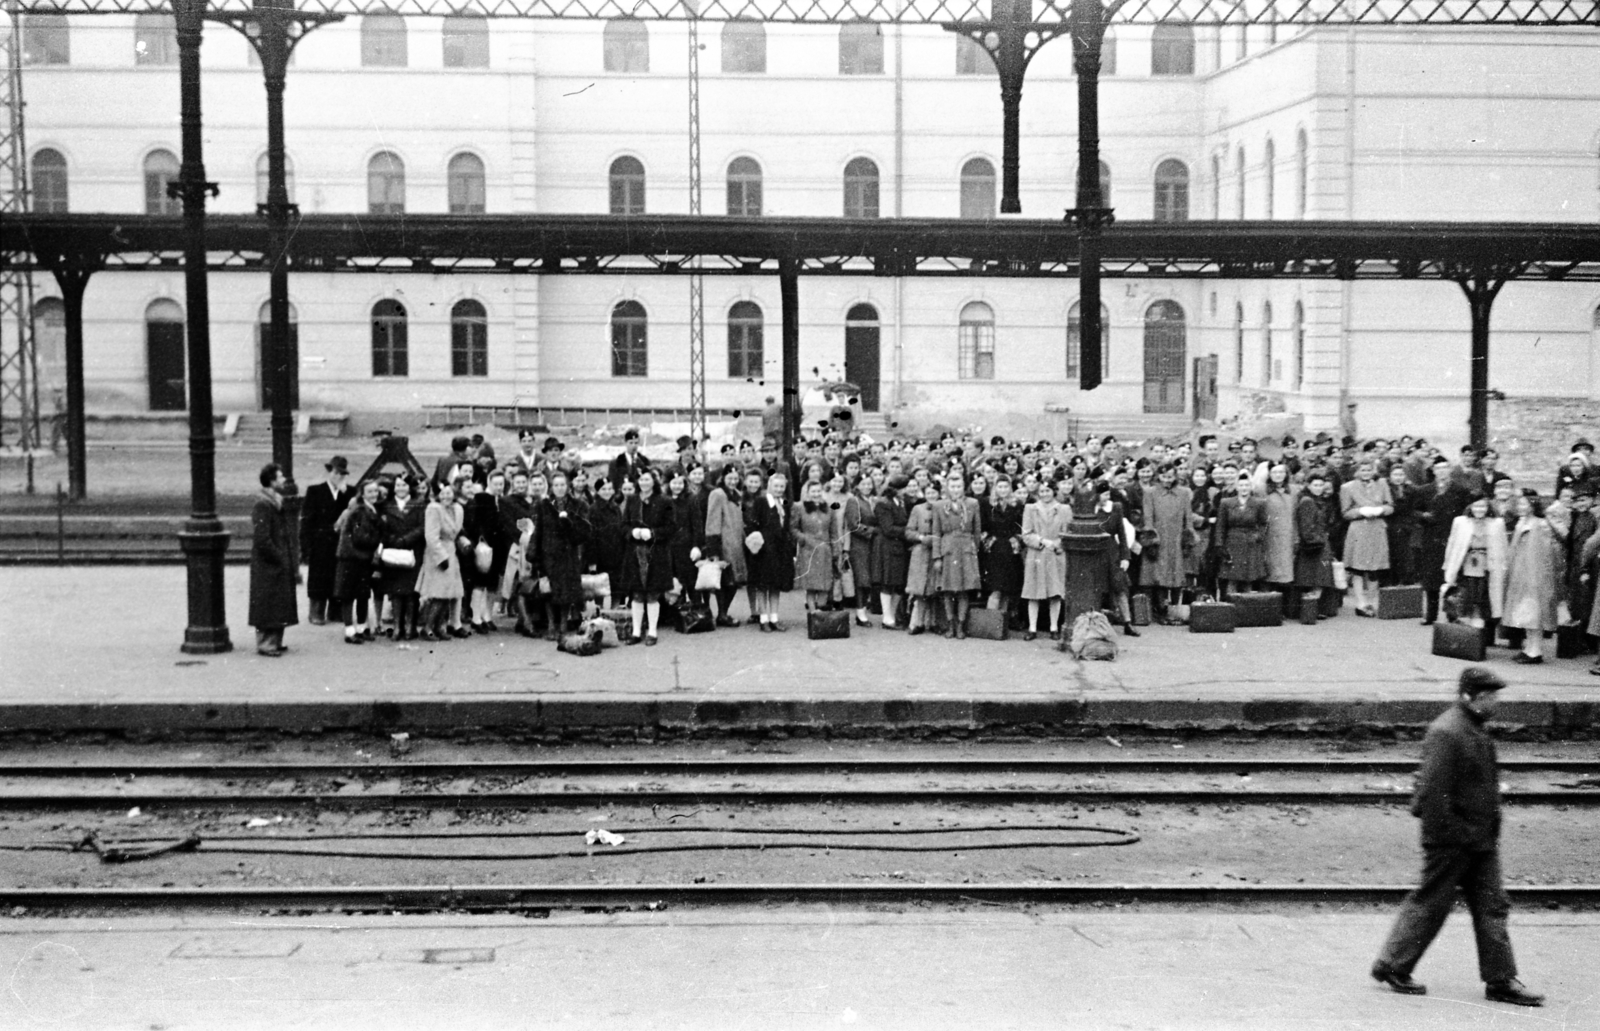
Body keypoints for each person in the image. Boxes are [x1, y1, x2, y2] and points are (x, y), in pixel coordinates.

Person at [1371, 668, 1544, 1008]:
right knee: (1432, 903)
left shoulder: (1471, 728)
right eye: (1490, 696)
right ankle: (1392, 965)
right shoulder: (1447, 732)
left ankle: (1500, 980)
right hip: (1453, 840)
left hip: (1479, 839)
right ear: (1471, 696)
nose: (1496, 703)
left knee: (1493, 906)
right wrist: (1454, 835)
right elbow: (1434, 793)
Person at [1501, 492, 1561, 665]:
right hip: (1521, 573)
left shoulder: (1540, 524)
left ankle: (1536, 651)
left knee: (1535, 614)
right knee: (1525, 614)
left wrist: (1539, 575)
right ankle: (1529, 648)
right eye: (1519, 504)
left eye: (1525, 504)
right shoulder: (1522, 522)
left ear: (1533, 506)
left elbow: (1546, 553)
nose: (1521, 507)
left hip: (1535, 574)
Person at [619, 468, 675, 645]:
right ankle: (636, 632)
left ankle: (652, 631)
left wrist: (652, 533)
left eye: (647, 479)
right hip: (635, 553)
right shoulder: (632, 500)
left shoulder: (665, 501)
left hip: (656, 553)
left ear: (654, 482)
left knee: (652, 594)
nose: (644, 483)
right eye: (641, 480)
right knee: (636, 594)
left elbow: (671, 528)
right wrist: (632, 532)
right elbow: (623, 526)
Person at [248, 462, 298, 657]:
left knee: (275, 603)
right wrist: (279, 557)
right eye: (280, 477)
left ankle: (273, 642)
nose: (284, 480)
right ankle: (267, 644)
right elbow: (262, 538)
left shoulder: (272, 501)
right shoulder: (264, 504)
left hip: (273, 562)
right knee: (269, 604)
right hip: (269, 564)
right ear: (272, 480)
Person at [299, 455, 352, 625]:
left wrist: (345, 496)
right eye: (336, 472)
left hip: (340, 543)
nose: (339, 477)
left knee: (338, 576)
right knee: (319, 578)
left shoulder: (349, 492)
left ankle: (335, 612)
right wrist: (306, 547)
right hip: (320, 542)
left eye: (342, 474)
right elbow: (307, 522)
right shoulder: (315, 491)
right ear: (330, 472)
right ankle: (316, 612)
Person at [539, 470, 590, 640]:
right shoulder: (544, 505)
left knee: (566, 590)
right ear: (551, 487)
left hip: (568, 553)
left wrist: (568, 523)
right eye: (556, 485)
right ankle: (551, 624)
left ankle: (562, 624)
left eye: (562, 485)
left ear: (568, 486)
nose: (559, 488)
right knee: (549, 590)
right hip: (549, 553)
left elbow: (583, 532)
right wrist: (534, 553)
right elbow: (539, 530)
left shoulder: (578, 505)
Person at [1139, 463, 1193, 623]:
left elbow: (1188, 518)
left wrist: (1188, 538)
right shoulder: (1150, 493)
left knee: (1176, 575)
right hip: (1159, 538)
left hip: (1176, 539)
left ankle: (1174, 611)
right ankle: (1160, 611)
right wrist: (1150, 540)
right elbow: (1148, 517)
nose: (1167, 480)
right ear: (1158, 476)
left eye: (1170, 476)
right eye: (1164, 477)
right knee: (1158, 575)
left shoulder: (1184, 493)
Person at [332, 477, 383, 645]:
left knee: (362, 594)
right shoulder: (359, 511)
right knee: (349, 595)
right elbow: (361, 537)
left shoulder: (371, 510)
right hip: (351, 557)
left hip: (360, 558)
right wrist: (378, 539)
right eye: (370, 491)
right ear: (363, 494)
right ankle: (350, 631)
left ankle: (361, 629)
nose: (374, 494)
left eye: (376, 491)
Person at [1443, 497, 1507, 630]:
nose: (1479, 510)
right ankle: (1468, 631)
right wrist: (1448, 565)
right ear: (1470, 507)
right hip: (1466, 564)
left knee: (1485, 599)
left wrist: (1503, 566)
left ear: (1488, 508)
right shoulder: (1460, 521)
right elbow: (1452, 544)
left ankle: (1482, 634)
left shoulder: (1497, 523)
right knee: (1466, 597)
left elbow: (1503, 546)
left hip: (1488, 566)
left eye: (1482, 506)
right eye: (1476, 506)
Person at [1341, 459, 1394, 616]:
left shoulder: (1382, 484)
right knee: (1358, 568)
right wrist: (1360, 511)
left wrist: (1381, 510)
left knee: (1375, 568)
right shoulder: (1347, 487)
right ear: (1357, 472)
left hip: (1377, 529)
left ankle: (1370, 601)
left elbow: (1390, 506)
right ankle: (1360, 603)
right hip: (1359, 530)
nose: (1366, 473)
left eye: (1368, 470)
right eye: (1363, 470)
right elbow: (1345, 512)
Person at [416, 480, 468, 640]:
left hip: (451, 552)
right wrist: (441, 557)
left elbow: (457, 531)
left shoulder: (457, 508)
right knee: (437, 594)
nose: (446, 496)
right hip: (437, 554)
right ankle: (427, 627)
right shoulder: (433, 509)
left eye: (449, 492)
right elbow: (431, 536)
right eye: (442, 493)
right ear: (437, 495)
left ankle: (440, 627)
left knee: (448, 593)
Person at [745, 470, 795, 632]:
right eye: (776, 486)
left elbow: (786, 527)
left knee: (776, 585)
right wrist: (759, 544)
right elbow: (752, 525)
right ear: (769, 486)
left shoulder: (785, 503)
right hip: (764, 550)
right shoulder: (761, 502)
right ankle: (763, 618)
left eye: (782, 486)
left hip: (780, 549)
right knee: (763, 585)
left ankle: (774, 617)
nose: (779, 489)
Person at [379, 475, 427, 640]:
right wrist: (394, 540)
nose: (400, 488)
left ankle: (410, 627)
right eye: (398, 485)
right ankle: (397, 626)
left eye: (404, 485)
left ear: (410, 487)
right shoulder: (387, 505)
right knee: (396, 592)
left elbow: (422, 527)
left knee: (412, 592)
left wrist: (406, 539)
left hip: (413, 551)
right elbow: (382, 528)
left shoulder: (419, 504)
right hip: (394, 553)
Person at [1021, 479, 1069, 641]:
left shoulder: (1064, 509)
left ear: (1054, 491)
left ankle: (1054, 627)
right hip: (1037, 555)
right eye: (1041, 491)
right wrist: (1041, 541)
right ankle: (1032, 628)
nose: (1045, 494)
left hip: (1055, 554)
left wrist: (1056, 544)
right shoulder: (1031, 508)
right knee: (1033, 592)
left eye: (1048, 491)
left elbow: (1067, 533)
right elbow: (1026, 534)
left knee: (1055, 592)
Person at [703, 465, 748, 628]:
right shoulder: (717, 494)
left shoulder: (737, 495)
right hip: (724, 544)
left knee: (735, 581)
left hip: (737, 544)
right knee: (725, 581)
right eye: (730, 478)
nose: (733, 482)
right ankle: (722, 614)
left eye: (736, 478)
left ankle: (724, 612)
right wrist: (713, 549)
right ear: (722, 478)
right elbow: (712, 522)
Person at [1217, 474, 1268, 597]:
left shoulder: (1259, 503)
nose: (1244, 488)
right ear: (1236, 487)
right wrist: (1219, 545)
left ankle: (1246, 610)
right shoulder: (1226, 503)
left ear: (1251, 487)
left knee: (1248, 578)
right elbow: (1220, 525)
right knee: (1232, 578)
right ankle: (1230, 607)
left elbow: (1264, 524)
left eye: (1247, 485)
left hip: (1250, 544)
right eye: (1241, 485)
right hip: (1232, 543)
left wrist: (1258, 536)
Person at [872, 475, 912, 630]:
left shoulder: (900, 502)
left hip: (898, 545)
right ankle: (887, 618)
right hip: (887, 546)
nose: (907, 491)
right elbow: (888, 528)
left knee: (898, 583)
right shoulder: (883, 504)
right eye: (904, 488)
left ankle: (892, 615)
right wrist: (907, 531)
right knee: (888, 582)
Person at [1293, 471, 1336, 616]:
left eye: (1321, 485)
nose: (1318, 488)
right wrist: (1317, 540)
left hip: (1318, 543)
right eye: (1315, 485)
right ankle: (1311, 610)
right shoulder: (1308, 501)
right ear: (1308, 486)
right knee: (1316, 578)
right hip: (1315, 546)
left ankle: (1312, 610)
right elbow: (1306, 527)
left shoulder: (1317, 500)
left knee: (1317, 578)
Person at [792, 479, 837, 612]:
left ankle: (821, 611)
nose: (816, 494)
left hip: (825, 551)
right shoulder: (799, 507)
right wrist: (804, 539)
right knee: (811, 585)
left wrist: (835, 550)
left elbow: (834, 531)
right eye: (813, 491)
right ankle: (813, 613)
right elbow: (793, 528)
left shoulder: (829, 509)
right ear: (808, 492)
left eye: (818, 491)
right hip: (808, 550)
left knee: (824, 585)